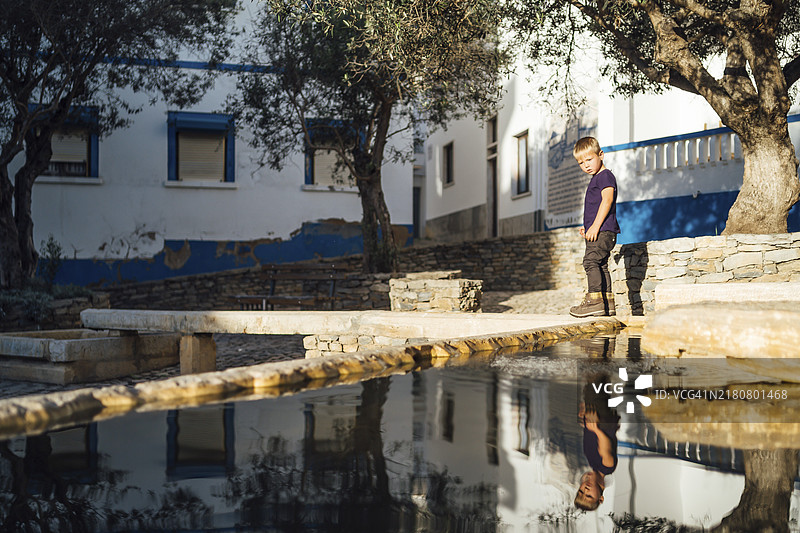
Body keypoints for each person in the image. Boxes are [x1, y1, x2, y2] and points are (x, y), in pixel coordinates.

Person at [569, 137, 621, 318]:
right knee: (601, 264)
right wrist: (588, 227)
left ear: (601, 155)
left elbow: (607, 200)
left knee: (590, 262)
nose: (586, 165)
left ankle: (594, 302)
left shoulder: (605, 176)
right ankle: (606, 304)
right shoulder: (597, 178)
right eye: (581, 163)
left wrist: (596, 226)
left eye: (589, 159)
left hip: (602, 230)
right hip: (601, 230)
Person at [574, 375, 620, 511]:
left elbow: (590, 438)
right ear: (600, 498)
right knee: (595, 382)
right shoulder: (607, 467)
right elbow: (605, 446)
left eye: (580, 492)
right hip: (602, 422)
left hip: (595, 420)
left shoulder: (592, 463)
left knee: (591, 386)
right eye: (589, 496)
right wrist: (596, 429)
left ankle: (600, 371)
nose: (585, 490)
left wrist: (584, 420)